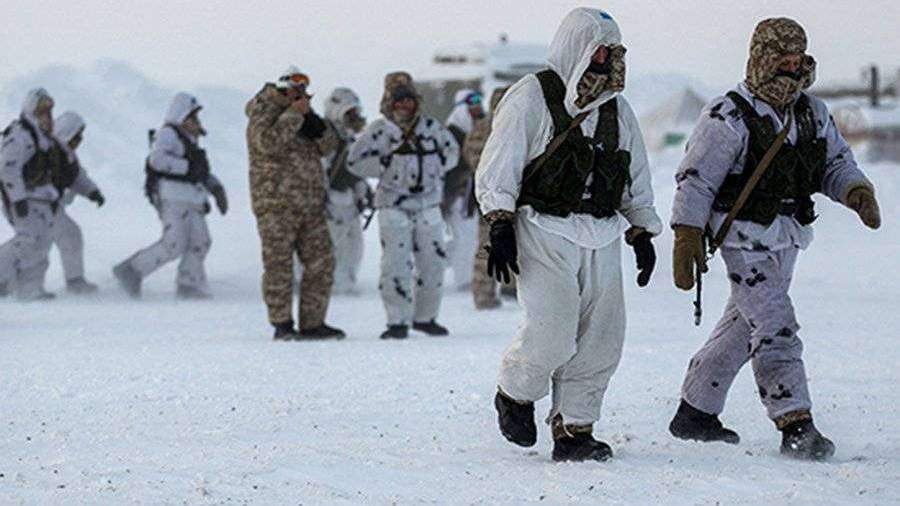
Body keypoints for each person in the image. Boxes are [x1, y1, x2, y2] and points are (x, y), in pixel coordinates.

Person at [668, 18, 881, 461]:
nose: (792, 68)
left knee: (744, 325)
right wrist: (686, 235)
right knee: (774, 323)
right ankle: (794, 422)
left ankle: (696, 410)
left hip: (788, 236)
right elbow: (696, 180)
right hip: (743, 239)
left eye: (798, 60)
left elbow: (834, 163)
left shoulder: (811, 113)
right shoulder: (728, 115)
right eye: (782, 60)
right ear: (761, 59)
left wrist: (856, 191)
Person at [475, 8, 662, 462]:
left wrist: (642, 230)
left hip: (602, 233)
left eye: (610, 52)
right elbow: (500, 162)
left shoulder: (618, 109)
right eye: (597, 50)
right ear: (576, 46)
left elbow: (634, 173)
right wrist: (500, 221)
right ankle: (516, 392)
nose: (603, 60)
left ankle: (574, 428)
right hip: (543, 229)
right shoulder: (532, 97)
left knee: (603, 337)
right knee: (553, 330)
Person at [347, 72, 460, 339]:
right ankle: (397, 321)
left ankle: (425, 317)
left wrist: (435, 168)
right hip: (393, 205)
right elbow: (354, 161)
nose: (404, 105)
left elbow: (452, 152)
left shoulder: (431, 128)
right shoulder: (379, 131)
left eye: (408, 99)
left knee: (433, 262)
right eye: (398, 100)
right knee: (396, 264)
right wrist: (383, 166)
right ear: (389, 102)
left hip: (428, 204)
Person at [245, 67, 346, 340]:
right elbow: (267, 144)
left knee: (322, 262)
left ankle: (313, 323)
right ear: (282, 90)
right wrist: (293, 115)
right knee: (279, 265)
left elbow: (329, 146)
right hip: (276, 204)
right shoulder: (263, 111)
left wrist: (311, 119)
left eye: (303, 91)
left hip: (310, 204)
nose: (300, 95)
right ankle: (282, 324)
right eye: (294, 90)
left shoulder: (302, 116)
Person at [113, 92, 228, 300]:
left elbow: (200, 172)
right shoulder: (168, 133)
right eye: (192, 116)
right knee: (173, 244)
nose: (196, 121)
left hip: (192, 200)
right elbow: (157, 160)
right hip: (173, 198)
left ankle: (189, 284)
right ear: (182, 115)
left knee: (201, 241)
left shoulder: (189, 140)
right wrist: (187, 168)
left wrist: (216, 188)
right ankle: (131, 271)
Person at [0, 88, 66, 300]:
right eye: (41, 111)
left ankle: (31, 289)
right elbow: (7, 169)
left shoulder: (43, 138)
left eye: (48, 111)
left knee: (42, 244)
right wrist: (17, 198)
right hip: (24, 198)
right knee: (27, 240)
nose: (46, 116)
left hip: (41, 198)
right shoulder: (20, 135)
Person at [48, 111, 105, 294]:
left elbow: (78, 177)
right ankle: (74, 281)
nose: (80, 141)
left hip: (50, 208)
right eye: (77, 136)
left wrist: (92, 192)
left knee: (37, 243)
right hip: (38, 207)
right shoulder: (50, 152)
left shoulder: (66, 155)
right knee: (64, 236)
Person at [322, 87, 371, 295]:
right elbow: (319, 169)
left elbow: (355, 170)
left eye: (355, 112)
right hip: (331, 202)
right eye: (349, 113)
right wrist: (321, 198)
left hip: (348, 201)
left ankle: (347, 281)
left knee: (354, 246)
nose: (354, 117)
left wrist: (363, 192)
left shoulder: (349, 138)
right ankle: (336, 286)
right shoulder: (325, 137)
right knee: (336, 245)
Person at [464, 87, 508, 310]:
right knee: (489, 247)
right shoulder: (501, 127)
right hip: (495, 196)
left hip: (493, 196)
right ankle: (485, 293)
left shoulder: (483, 127)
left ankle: (499, 289)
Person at [442, 89, 484, 290]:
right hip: (458, 195)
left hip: (476, 194)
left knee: (471, 236)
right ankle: (464, 279)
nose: (477, 106)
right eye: (471, 103)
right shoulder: (451, 133)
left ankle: (434, 260)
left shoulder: (482, 128)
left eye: (478, 102)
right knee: (465, 237)